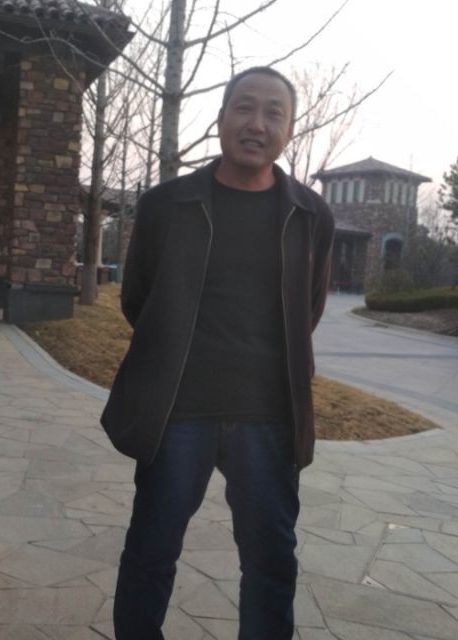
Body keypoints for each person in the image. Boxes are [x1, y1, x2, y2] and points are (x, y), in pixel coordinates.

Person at [101, 66, 335, 640]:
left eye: (274, 113)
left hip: (270, 417)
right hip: (176, 412)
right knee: (151, 553)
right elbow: (140, 300)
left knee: (271, 563)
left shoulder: (310, 215)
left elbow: (307, 309)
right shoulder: (166, 205)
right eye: (244, 107)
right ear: (221, 116)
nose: (257, 124)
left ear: (289, 129)